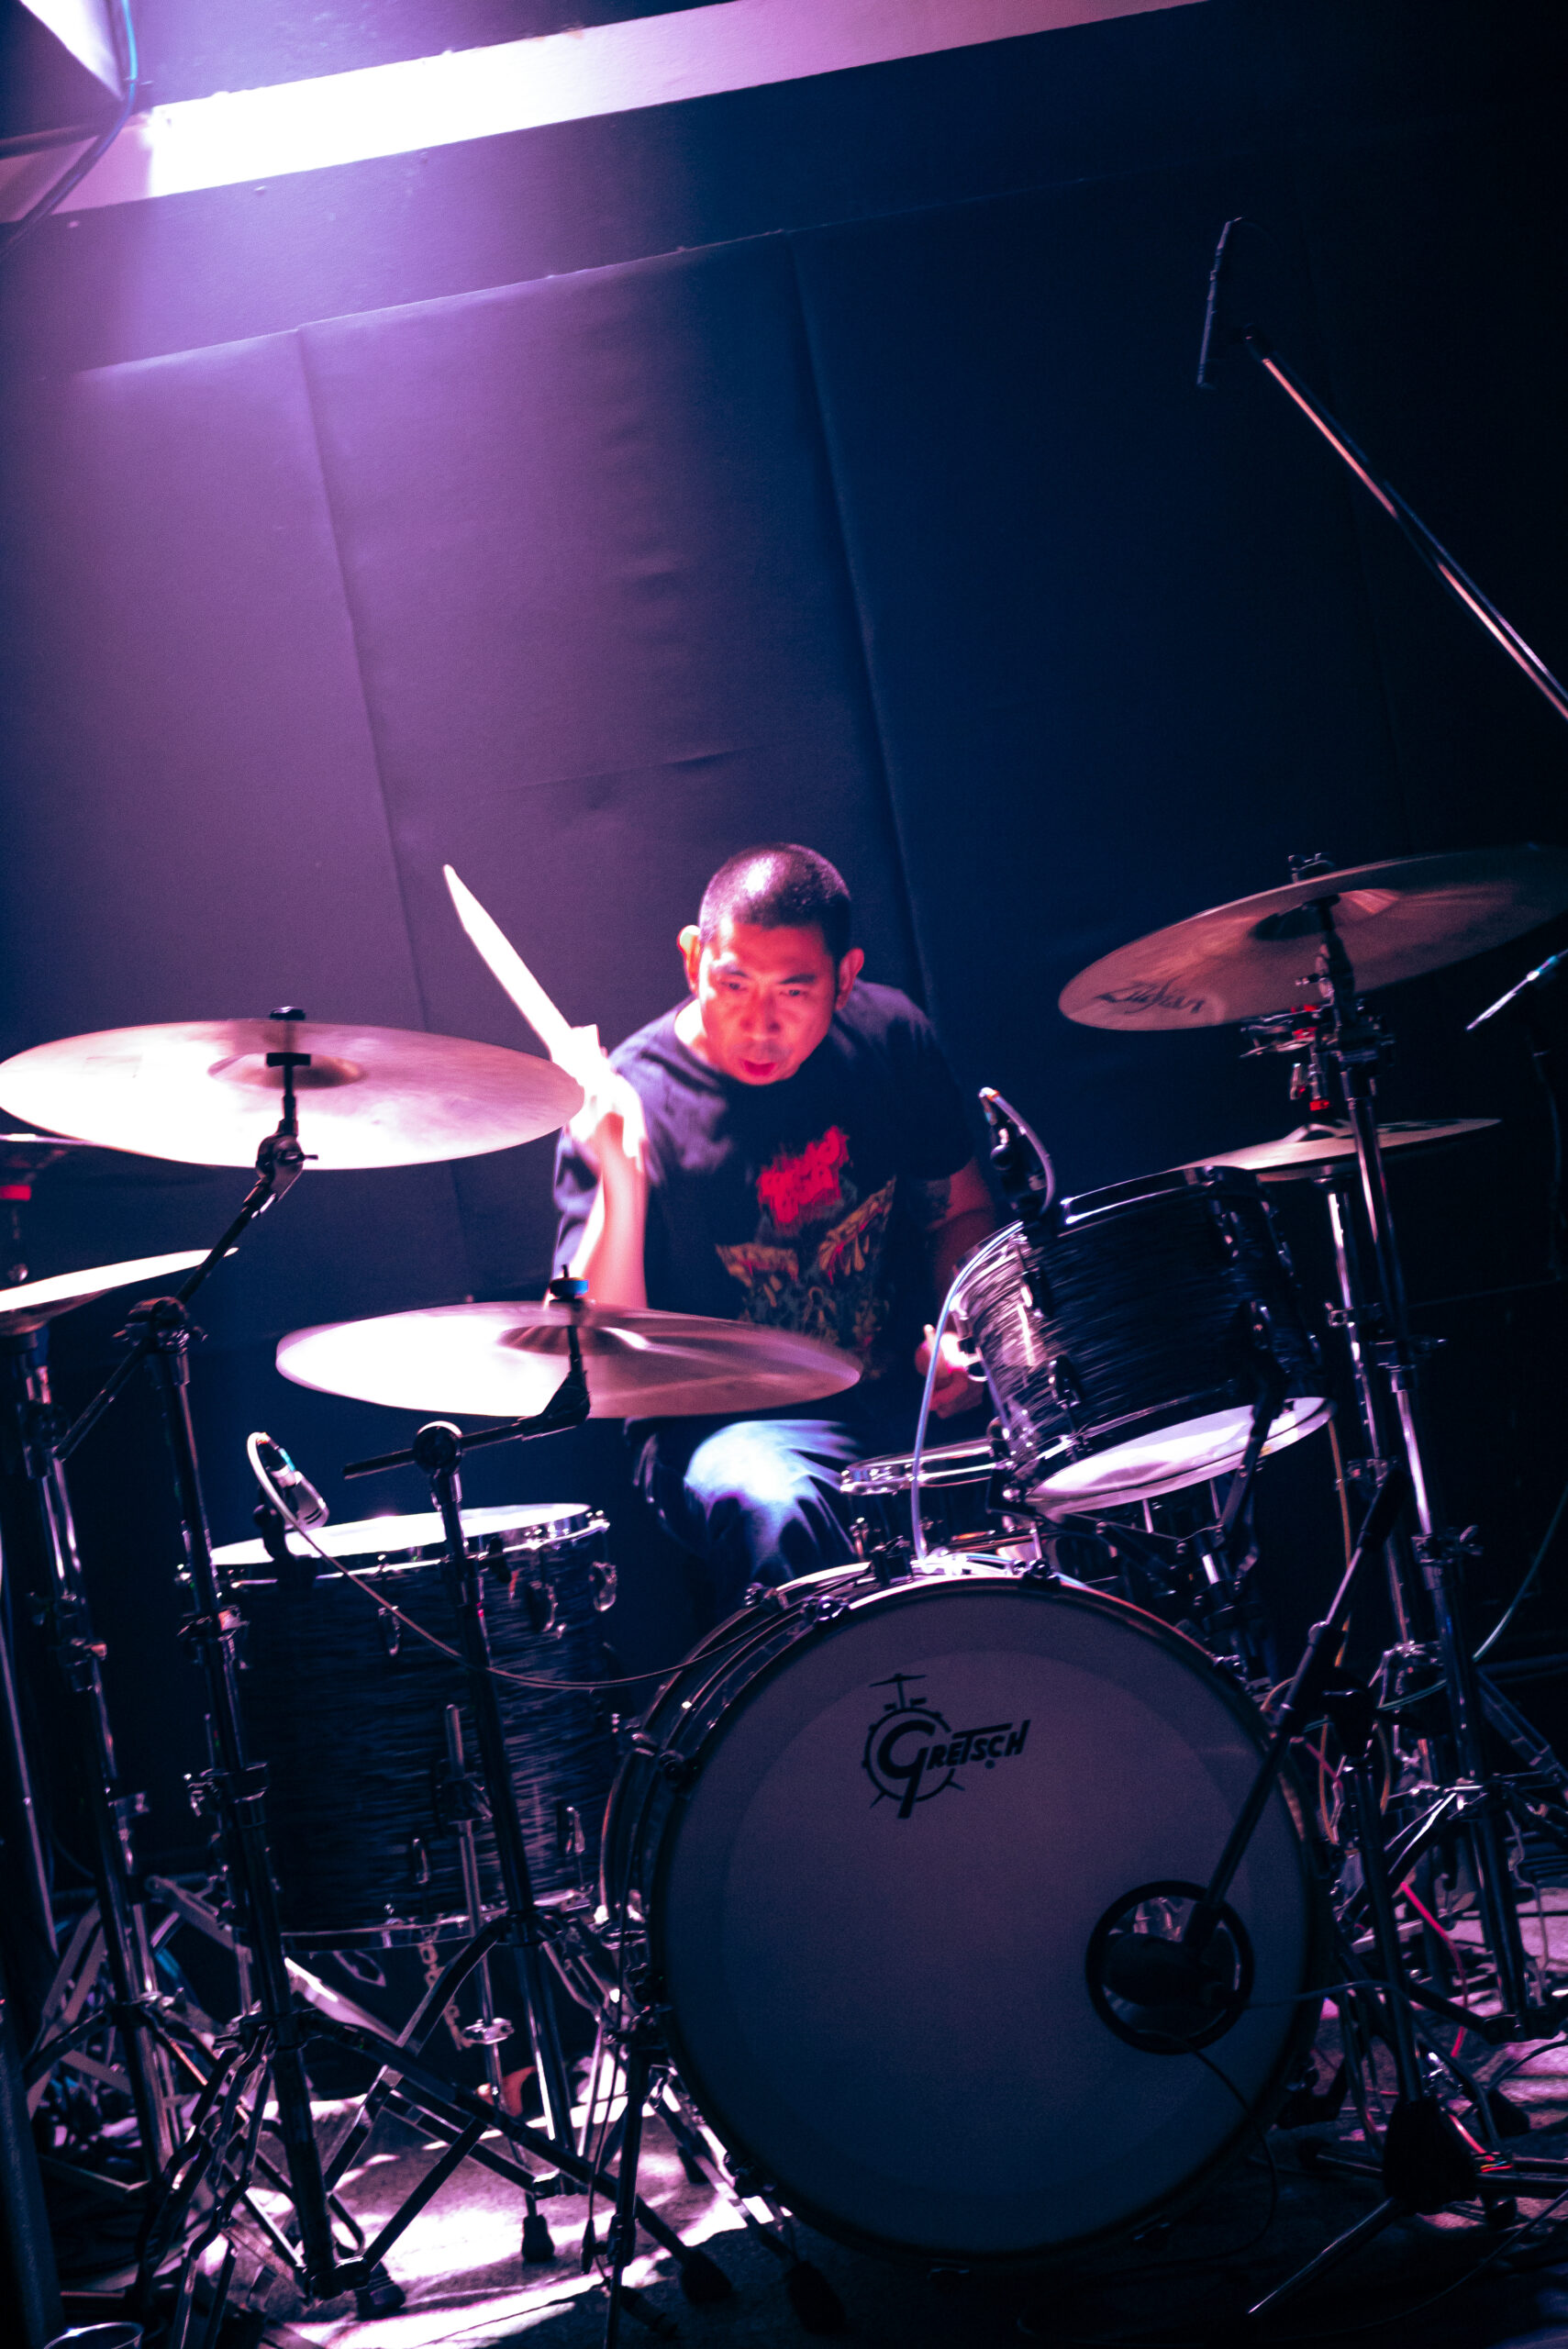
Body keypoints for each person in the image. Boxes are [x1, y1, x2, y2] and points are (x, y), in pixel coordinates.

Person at [553, 844, 995, 1622]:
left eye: (794, 990)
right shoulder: (628, 1097)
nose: (759, 1024)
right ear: (693, 958)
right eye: (733, 984)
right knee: (777, 1502)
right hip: (725, 1428)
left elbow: (959, 1212)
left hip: (905, 1396)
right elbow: (599, 1354)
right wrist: (619, 1177)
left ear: (844, 978)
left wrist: (963, 1328)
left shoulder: (890, 1038)